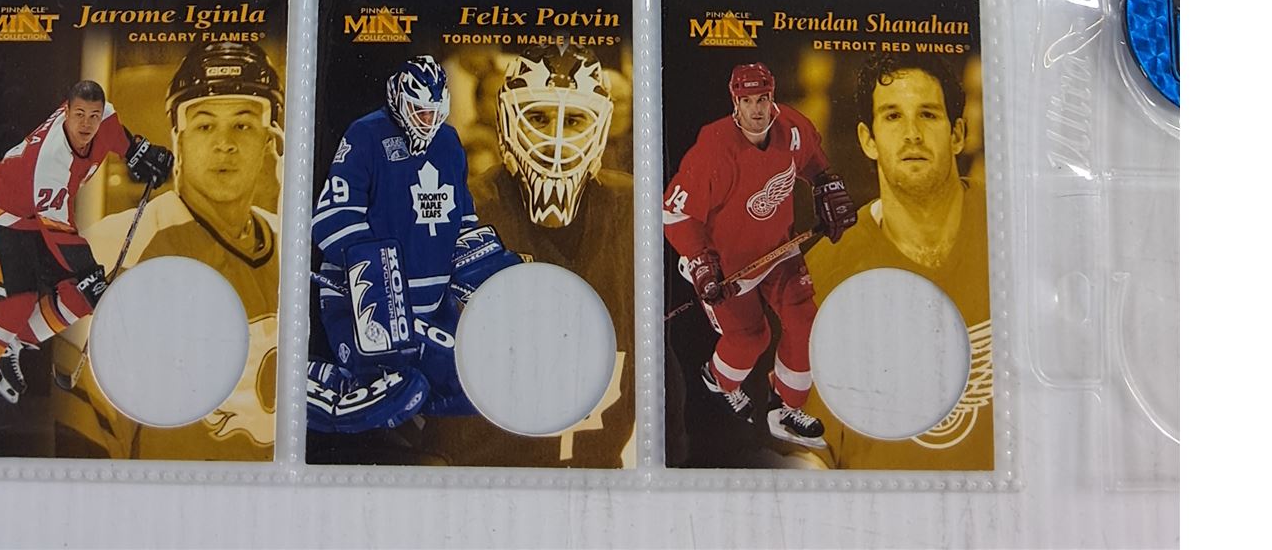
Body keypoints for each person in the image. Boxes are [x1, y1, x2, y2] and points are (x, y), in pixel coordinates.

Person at [53, 41, 285, 459]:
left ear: (272, 139)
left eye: (243, 125)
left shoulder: (297, 249)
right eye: (205, 125)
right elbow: (79, 442)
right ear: (177, 137)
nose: (225, 144)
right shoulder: (111, 250)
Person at [306, 56, 522, 436]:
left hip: (431, 309)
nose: (427, 121)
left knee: (476, 386)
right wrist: (373, 274)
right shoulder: (365, 134)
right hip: (360, 304)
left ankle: (404, 393)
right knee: (401, 388)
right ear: (399, 98)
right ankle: (316, 381)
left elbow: (461, 220)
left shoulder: (449, 142)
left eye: (433, 112)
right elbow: (330, 217)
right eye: (419, 111)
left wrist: (486, 271)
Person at [800, 53, 993, 470]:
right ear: (867, 140)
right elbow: (808, 451)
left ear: (958, 134)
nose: (912, 134)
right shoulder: (824, 269)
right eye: (892, 116)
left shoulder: (1011, 228)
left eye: (928, 115)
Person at [0, 80, 174, 428]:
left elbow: (116, 135)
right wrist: (87, 270)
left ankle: (11, 344)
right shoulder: (52, 161)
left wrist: (139, 152)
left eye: (93, 116)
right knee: (16, 306)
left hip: (38, 217)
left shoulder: (104, 119)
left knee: (83, 295)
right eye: (79, 114)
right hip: (2, 214)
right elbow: (58, 232)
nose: (86, 124)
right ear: (65, 111)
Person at [661, 63, 858, 454]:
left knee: (805, 322)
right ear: (735, 102)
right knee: (751, 338)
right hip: (729, 265)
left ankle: (785, 409)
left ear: (772, 98)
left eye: (763, 99)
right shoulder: (714, 149)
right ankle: (719, 380)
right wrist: (700, 261)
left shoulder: (793, 128)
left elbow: (812, 159)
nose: (756, 109)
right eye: (747, 100)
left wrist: (825, 183)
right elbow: (674, 214)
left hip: (780, 250)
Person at [458, 51, 635, 466]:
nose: (555, 140)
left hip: (600, 471)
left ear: (600, 127)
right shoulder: (466, 213)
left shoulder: (631, 209)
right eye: (538, 118)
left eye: (574, 120)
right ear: (508, 121)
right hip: (486, 473)